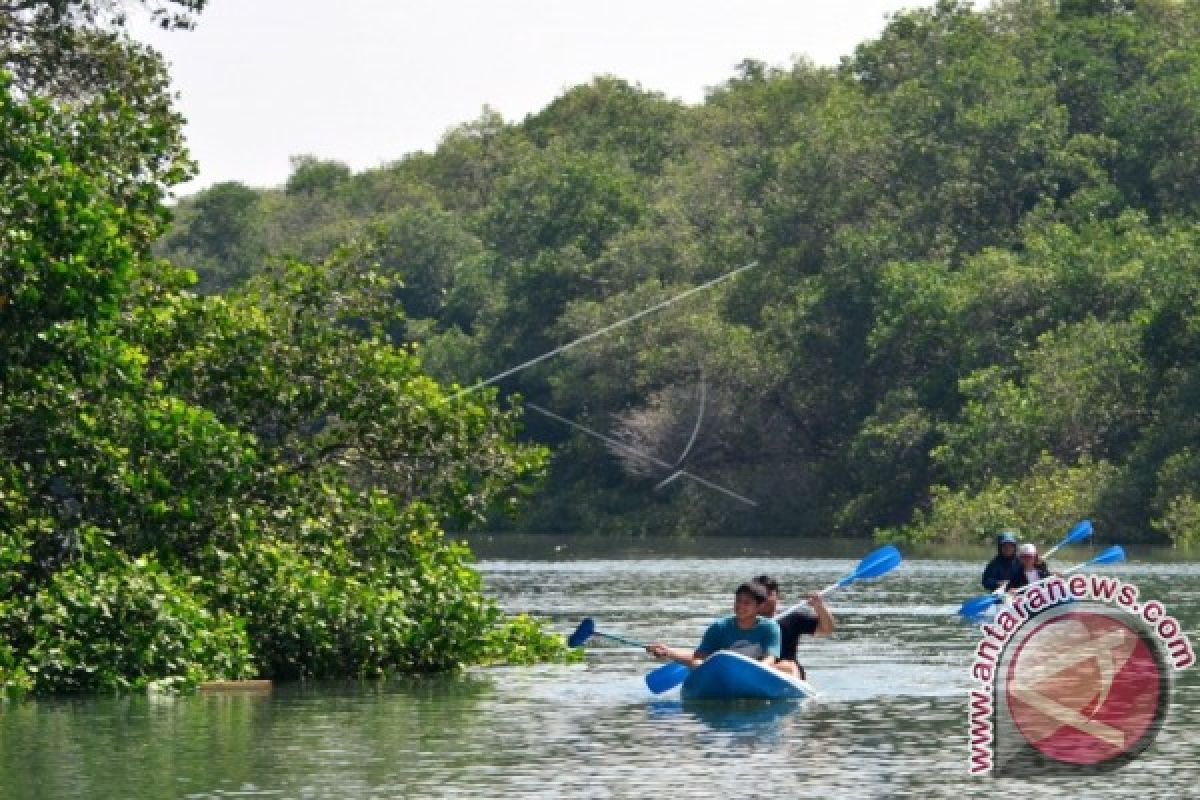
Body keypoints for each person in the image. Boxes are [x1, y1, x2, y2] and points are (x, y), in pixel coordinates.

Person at [645, 581, 782, 671]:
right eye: (738, 601)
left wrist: (752, 671)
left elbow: (770, 659)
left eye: (746, 603)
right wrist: (668, 652)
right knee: (696, 664)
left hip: (756, 671)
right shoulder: (719, 627)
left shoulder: (770, 628)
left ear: (759, 606)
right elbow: (698, 657)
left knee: (787, 667)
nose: (740, 606)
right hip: (723, 671)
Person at [754, 574, 834, 680]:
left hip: (787, 672)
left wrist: (819, 606)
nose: (764, 599)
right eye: (759, 595)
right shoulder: (742, 621)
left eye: (768, 594)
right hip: (756, 668)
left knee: (788, 666)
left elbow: (827, 629)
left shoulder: (792, 618)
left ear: (777, 596)